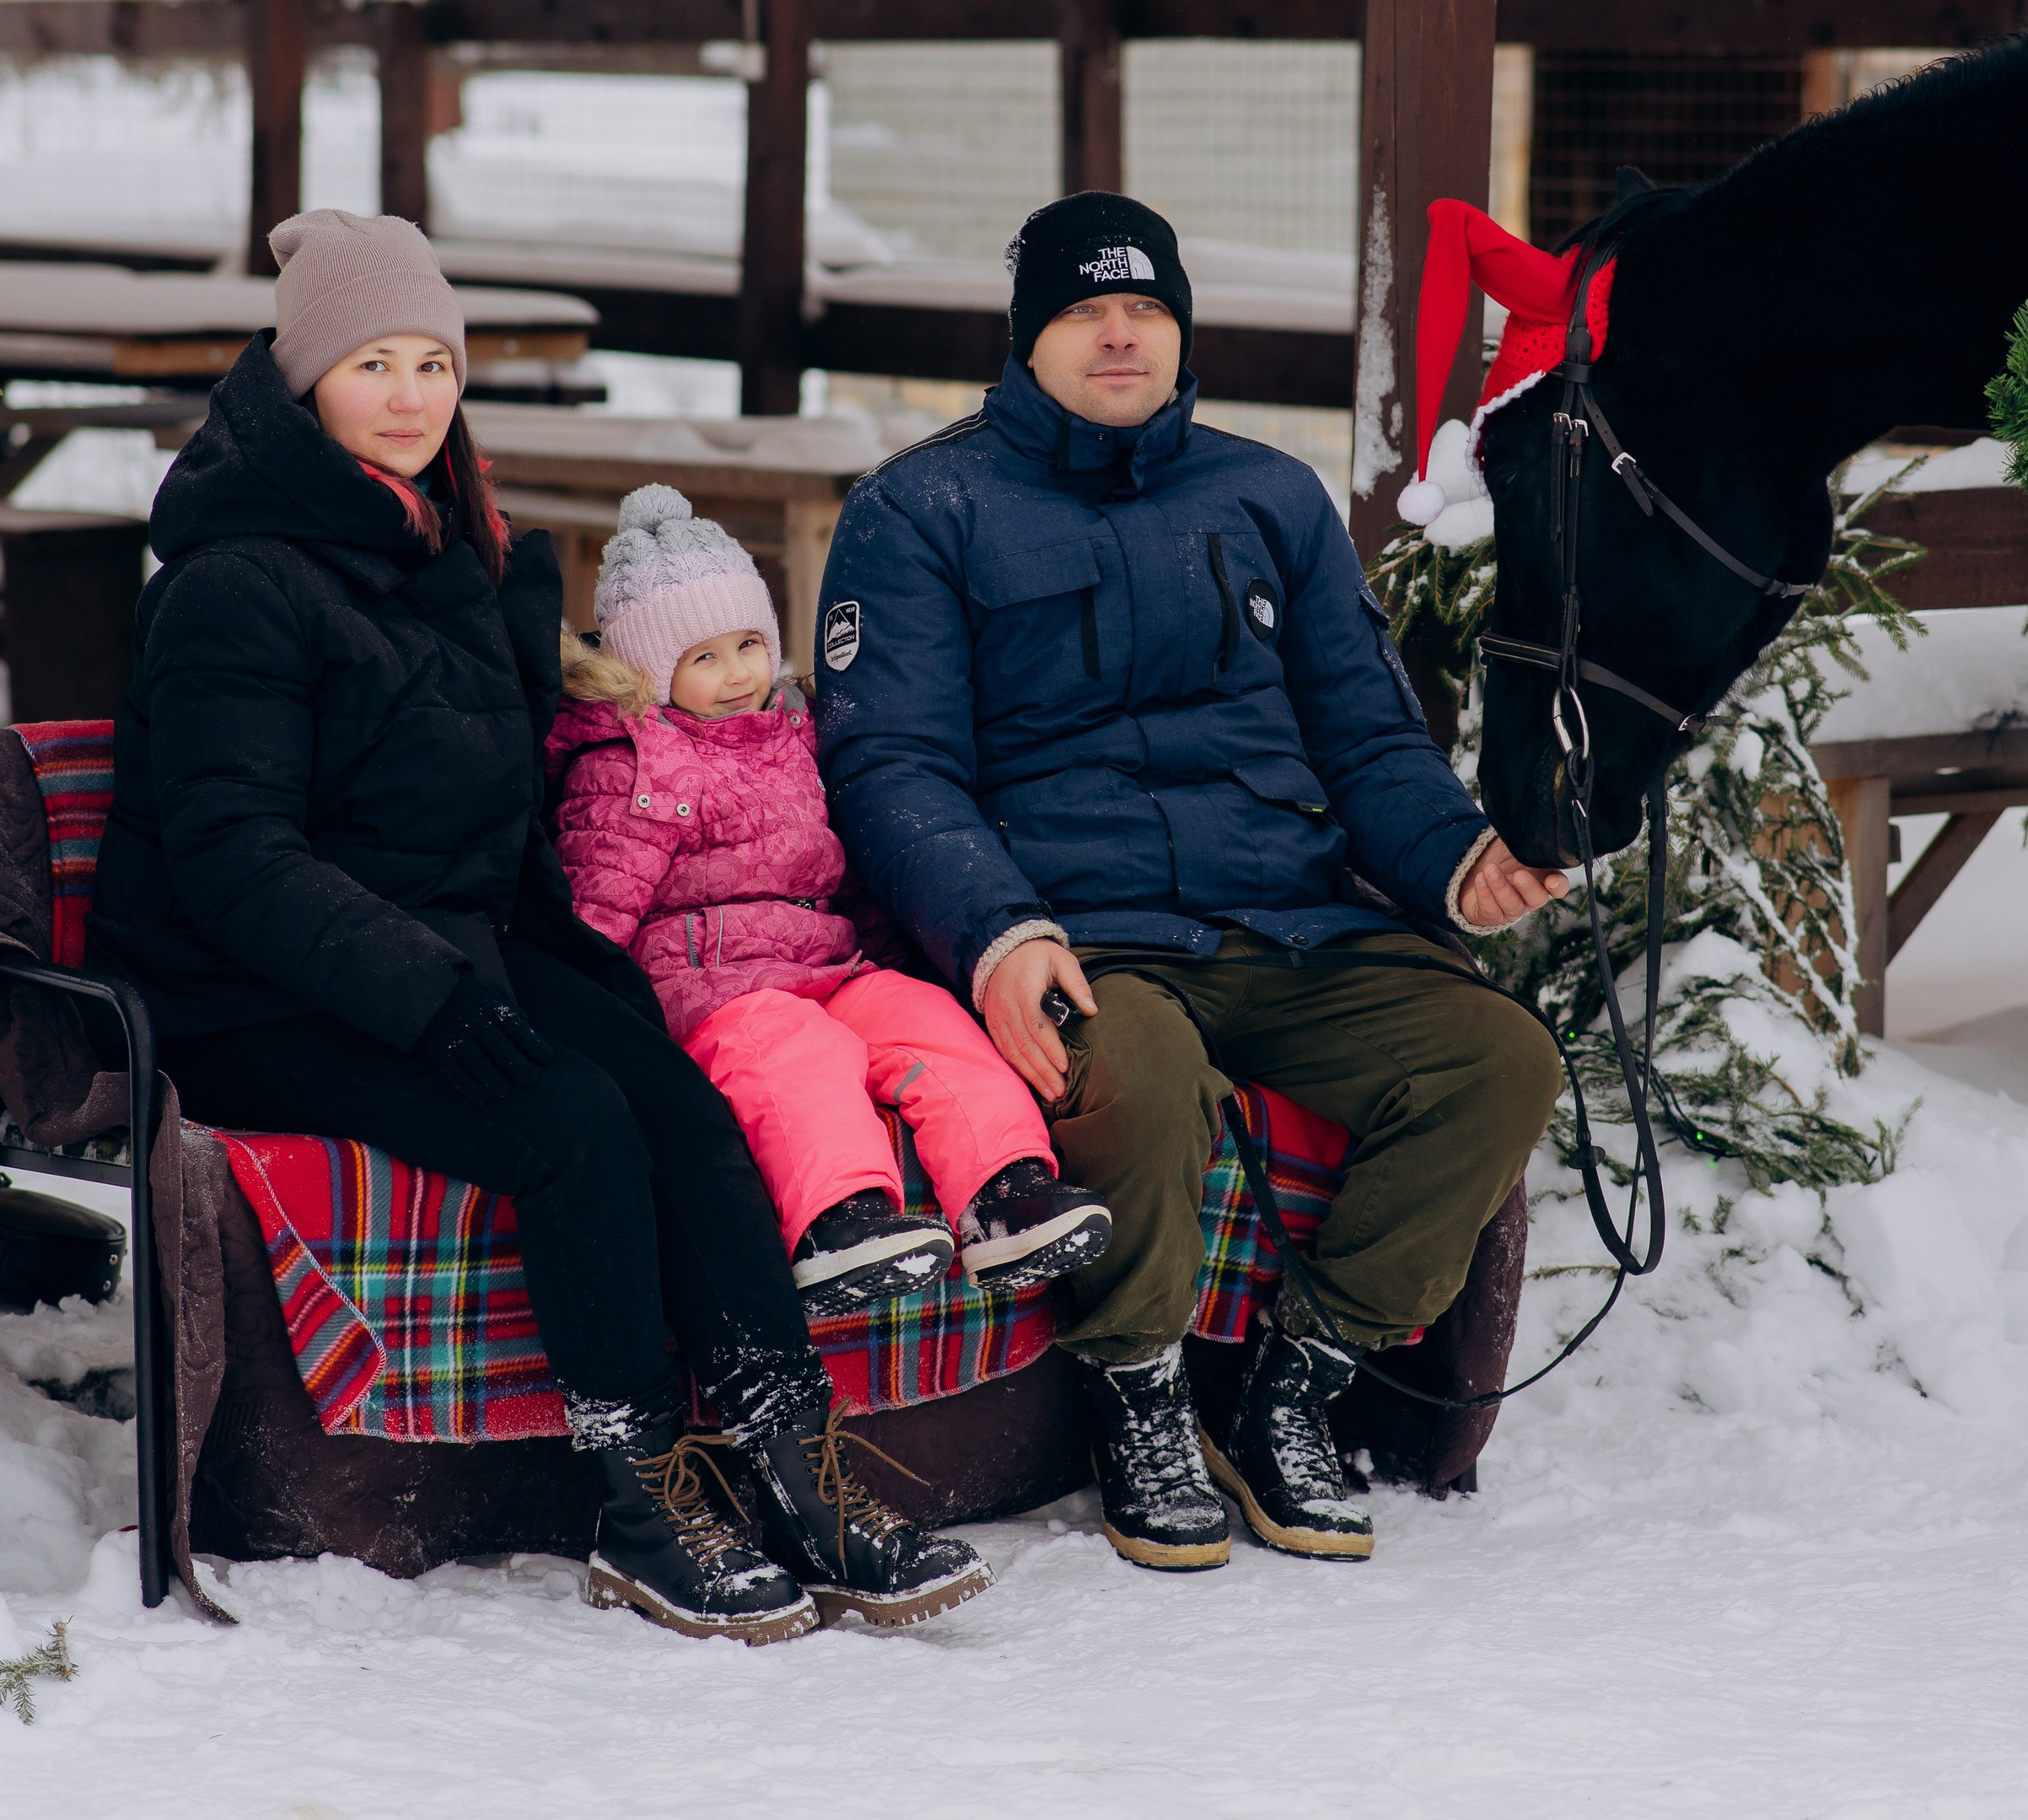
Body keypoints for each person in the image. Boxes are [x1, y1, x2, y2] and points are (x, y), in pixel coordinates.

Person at [89, 209, 992, 1640]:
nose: (408, 395)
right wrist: (438, 998)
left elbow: (489, 821)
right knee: (569, 1121)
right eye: (372, 363)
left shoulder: (458, 551)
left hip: (437, 950)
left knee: (679, 1103)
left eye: (432, 362)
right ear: (304, 378)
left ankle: (788, 1454)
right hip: (247, 988)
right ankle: (639, 1496)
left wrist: (571, 972)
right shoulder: (235, 583)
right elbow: (231, 857)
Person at [814, 191, 1570, 1573]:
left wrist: (1461, 860)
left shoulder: (1269, 496)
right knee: (1144, 1079)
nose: (1121, 336)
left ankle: (1304, 1375)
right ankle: (1142, 1395)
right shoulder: (921, 511)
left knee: (1500, 1063)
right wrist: (995, 934)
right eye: (1087, 311)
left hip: (1295, 920)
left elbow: (1365, 731)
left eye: (1147, 310)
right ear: (1029, 337)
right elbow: (892, 770)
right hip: (1086, 935)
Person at [547, 483, 1111, 1316]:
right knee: (796, 1056)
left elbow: (845, 871)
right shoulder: (631, 762)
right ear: (647, 670)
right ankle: (839, 1219)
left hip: (828, 967)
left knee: (929, 1024)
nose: (738, 672)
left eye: (749, 643)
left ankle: (1006, 1191)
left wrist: (890, 954)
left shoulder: (797, 733)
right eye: (703, 658)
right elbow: (595, 908)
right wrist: (592, 1022)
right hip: (714, 995)